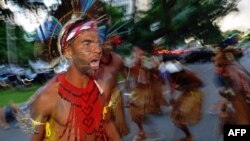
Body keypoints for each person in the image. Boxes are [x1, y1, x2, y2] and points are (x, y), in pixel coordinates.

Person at [19, 16, 120, 141]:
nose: (98, 50)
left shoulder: (104, 86)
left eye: (98, 43)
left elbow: (108, 123)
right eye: (87, 43)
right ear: (68, 52)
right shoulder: (47, 97)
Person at [126, 46, 167, 141]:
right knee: (134, 115)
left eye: (140, 53)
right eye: (135, 53)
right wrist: (128, 95)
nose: (138, 55)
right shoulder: (131, 65)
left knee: (140, 114)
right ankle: (143, 132)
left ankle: (152, 133)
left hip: (146, 91)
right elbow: (127, 80)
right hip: (136, 91)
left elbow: (157, 70)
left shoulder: (147, 63)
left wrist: (153, 64)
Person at [95, 35, 130, 138]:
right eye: (105, 44)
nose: (108, 47)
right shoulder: (93, 61)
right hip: (99, 96)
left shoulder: (118, 59)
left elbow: (125, 77)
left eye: (109, 44)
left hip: (115, 95)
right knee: (103, 124)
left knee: (119, 124)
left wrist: (128, 96)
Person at [165, 61, 204, 141]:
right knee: (176, 117)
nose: (170, 76)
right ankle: (189, 136)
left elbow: (201, 83)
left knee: (181, 114)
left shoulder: (188, 74)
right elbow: (172, 87)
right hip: (185, 93)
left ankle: (190, 137)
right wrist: (172, 98)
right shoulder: (171, 75)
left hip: (194, 94)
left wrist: (184, 87)